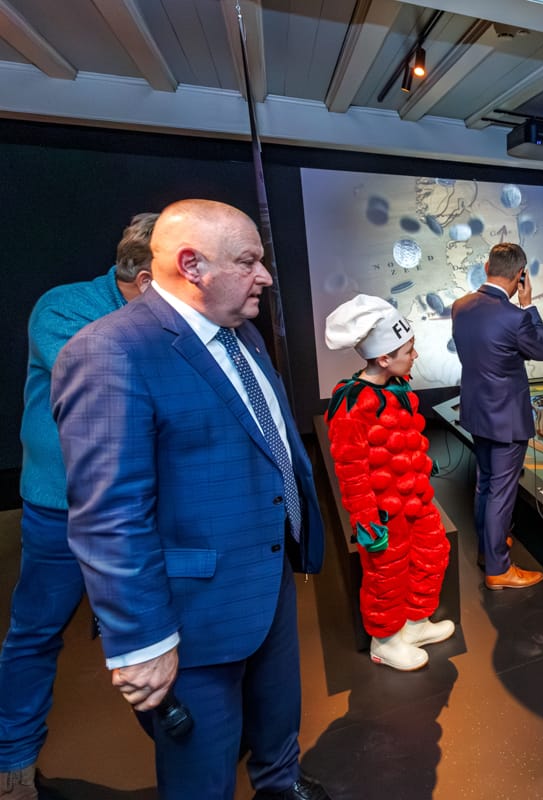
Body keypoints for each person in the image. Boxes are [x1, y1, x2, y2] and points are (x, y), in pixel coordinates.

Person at [49, 200, 328, 800]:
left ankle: (281, 785)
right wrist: (143, 641)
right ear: (191, 265)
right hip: (191, 612)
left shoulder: (241, 331)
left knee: (278, 719)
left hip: (266, 573)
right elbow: (108, 516)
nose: (266, 276)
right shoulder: (111, 352)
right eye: (249, 261)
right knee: (202, 769)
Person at [0, 213, 156, 798]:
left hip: (138, 506)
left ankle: (191, 737)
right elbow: (114, 386)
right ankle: (12, 764)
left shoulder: (160, 317)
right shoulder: (64, 308)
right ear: (146, 277)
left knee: (151, 631)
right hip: (61, 510)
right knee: (35, 633)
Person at [323, 294, 453, 671]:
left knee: (433, 555)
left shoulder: (398, 390)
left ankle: (414, 623)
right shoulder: (350, 405)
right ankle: (385, 640)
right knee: (387, 575)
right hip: (383, 512)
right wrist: (365, 520)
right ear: (384, 358)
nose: (414, 356)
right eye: (407, 350)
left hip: (416, 501)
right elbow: (351, 468)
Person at [451, 242, 543, 590]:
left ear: (486, 267)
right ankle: (498, 568)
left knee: (485, 484)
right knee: (501, 492)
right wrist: (529, 304)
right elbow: (542, 350)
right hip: (507, 418)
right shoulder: (516, 316)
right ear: (521, 275)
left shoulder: (460, 306)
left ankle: (487, 549)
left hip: (477, 412)